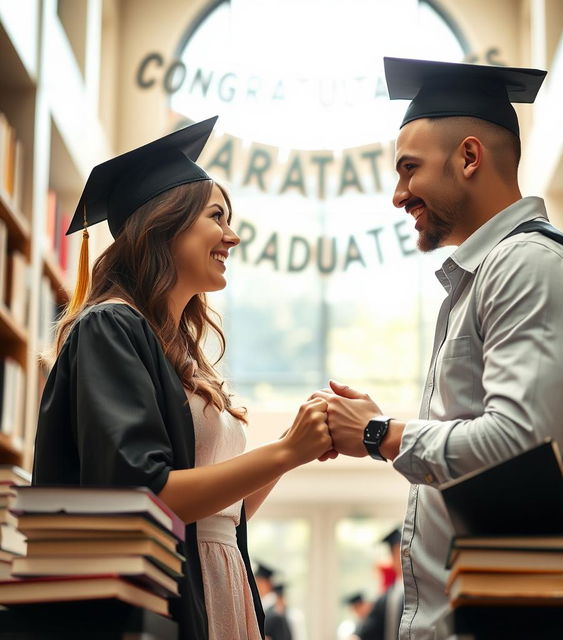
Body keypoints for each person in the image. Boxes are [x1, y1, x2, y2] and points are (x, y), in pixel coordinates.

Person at [311, 57, 563, 638]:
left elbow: (519, 446)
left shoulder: (526, 266)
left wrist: (380, 433)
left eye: (409, 169)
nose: (398, 194)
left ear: (469, 157)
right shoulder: (486, 275)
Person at [32, 116, 333, 640]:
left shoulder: (180, 355)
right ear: (164, 224)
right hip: (163, 602)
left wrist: (294, 447)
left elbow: (223, 516)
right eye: (217, 216)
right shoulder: (109, 326)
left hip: (217, 583)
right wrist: (284, 452)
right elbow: (145, 496)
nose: (232, 236)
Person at [357, 528, 403, 640]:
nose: (404, 558)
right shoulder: (386, 597)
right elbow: (370, 626)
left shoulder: (424, 590)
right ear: (392, 556)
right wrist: (356, 636)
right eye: (399, 553)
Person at [255, 562, 292, 640]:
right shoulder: (262, 607)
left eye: (258, 582)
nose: (255, 586)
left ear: (266, 584)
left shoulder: (276, 613)